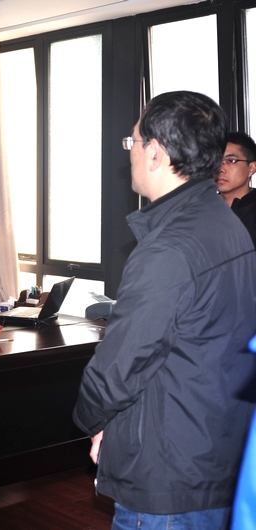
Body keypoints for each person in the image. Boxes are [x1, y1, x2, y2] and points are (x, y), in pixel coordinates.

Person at [73, 91, 256, 529]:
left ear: (155, 152)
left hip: (168, 468)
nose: (131, 152)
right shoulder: (225, 223)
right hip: (213, 448)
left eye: (132, 142)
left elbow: (120, 365)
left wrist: (92, 419)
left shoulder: (169, 247)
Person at [215, 131, 256, 247]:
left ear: (251, 168)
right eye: (216, 161)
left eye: (231, 161)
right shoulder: (200, 209)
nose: (220, 169)